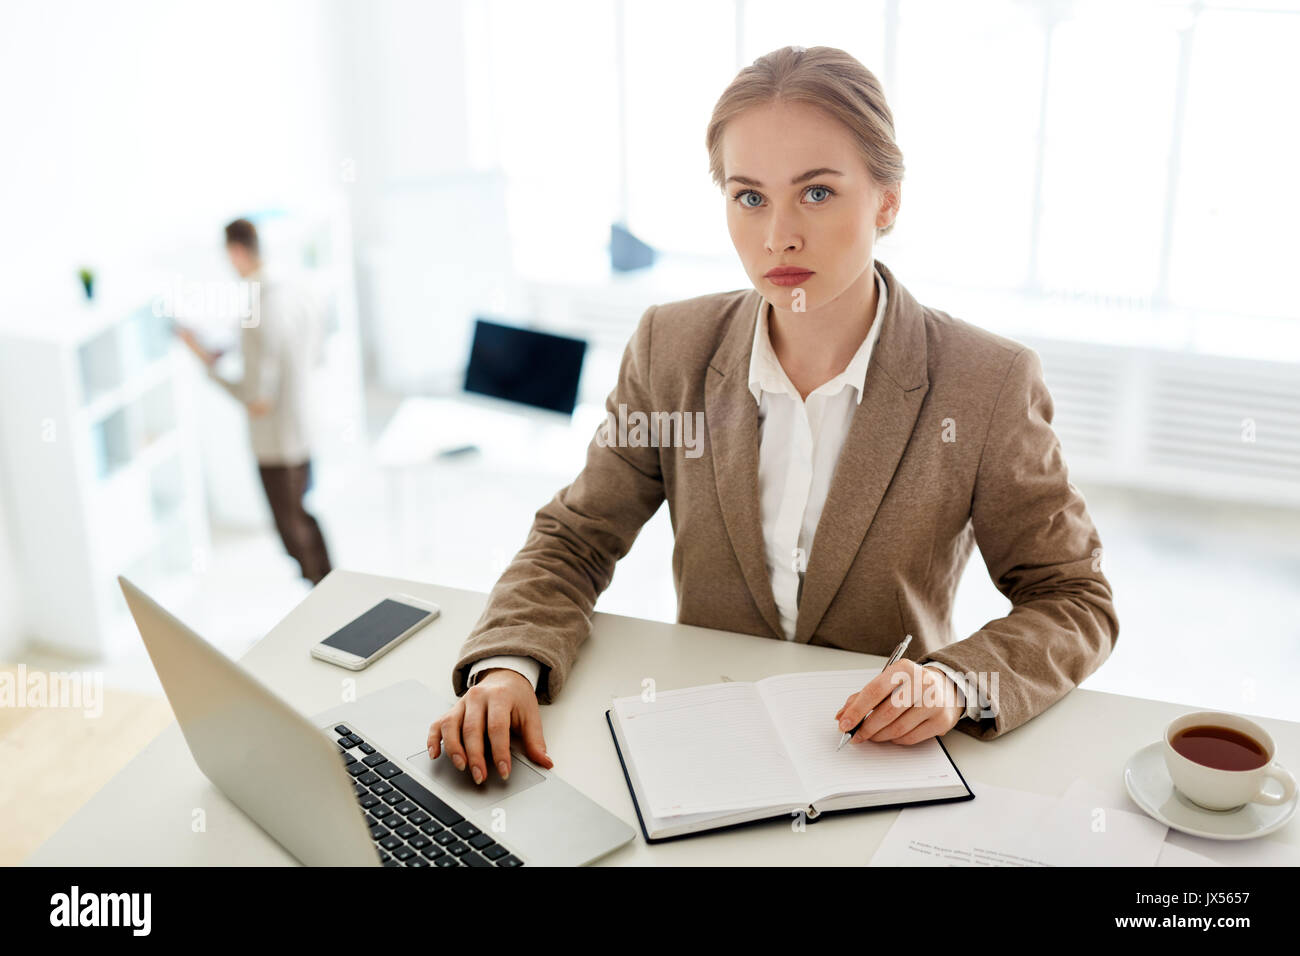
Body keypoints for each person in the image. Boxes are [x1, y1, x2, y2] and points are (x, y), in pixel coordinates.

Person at [428, 46, 1119, 786]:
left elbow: (1072, 598)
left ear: (886, 201)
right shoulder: (672, 348)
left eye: (817, 193)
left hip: (879, 757)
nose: (777, 237)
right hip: (705, 749)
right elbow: (577, 537)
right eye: (749, 196)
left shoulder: (985, 383)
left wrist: (954, 682)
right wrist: (508, 667)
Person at [175, 218, 333, 587]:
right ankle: (330, 586)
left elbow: (256, 400)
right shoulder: (300, 288)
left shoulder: (256, 313)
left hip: (276, 440)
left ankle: (324, 595)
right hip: (306, 423)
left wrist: (205, 362)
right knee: (304, 513)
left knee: (292, 529)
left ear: (236, 252)